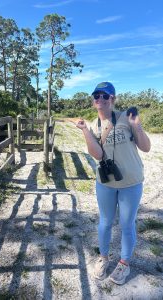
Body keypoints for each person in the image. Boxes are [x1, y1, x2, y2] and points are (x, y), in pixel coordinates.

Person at [76, 82, 151, 285]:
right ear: (93, 101)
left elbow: (146, 148)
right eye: (96, 96)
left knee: (127, 224)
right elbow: (98, 155)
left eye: (105, 95)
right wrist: (85, 131)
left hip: (131, 182)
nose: (100, 99)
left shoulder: (127, 117)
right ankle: (104, 258)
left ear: (113, 99)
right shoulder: (93, 124)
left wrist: (137, 126)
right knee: (105, 222)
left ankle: (124, 263)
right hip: (106, 183)